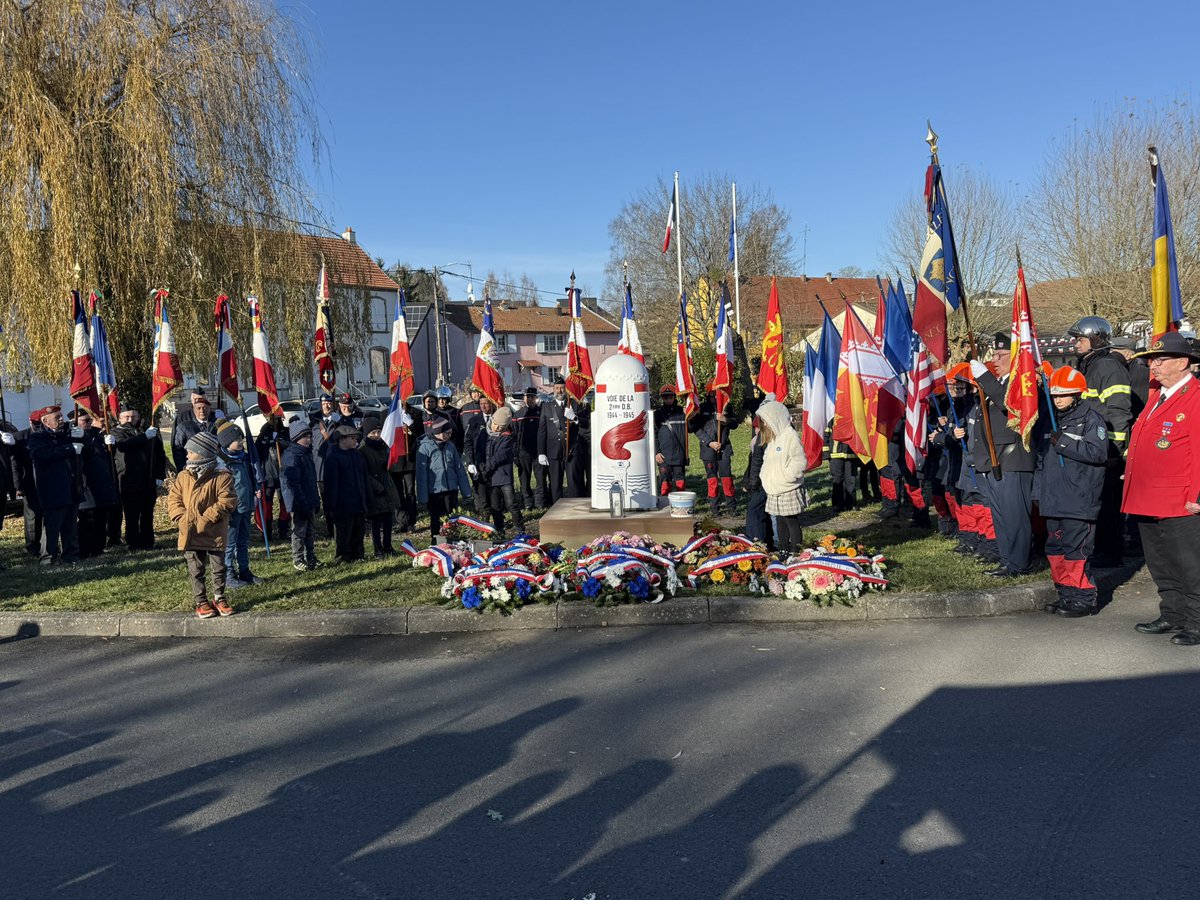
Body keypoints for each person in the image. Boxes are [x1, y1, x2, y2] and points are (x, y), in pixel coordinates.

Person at [1122, 333, 1200, 645]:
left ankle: (1195, 621)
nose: (1152, 365)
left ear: (1183, 363)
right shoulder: (1157, 396)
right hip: (1147, 495)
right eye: (1151, 360)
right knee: (1160, 563)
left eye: (1160, 359)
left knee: (1189, 563)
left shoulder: (1194, 398)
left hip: (1180, 499)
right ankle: (1172, 613)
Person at [1033, 367, 1108, 617]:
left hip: (1078, 499)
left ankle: (1084, 598)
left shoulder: (1091, 418)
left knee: (1077, 551)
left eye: (1064, 395)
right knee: (1056, 549)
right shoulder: (1051, 418)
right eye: (1055, 395)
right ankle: (1066, 594)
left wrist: (1063, 441)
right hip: (1054, 498)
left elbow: (1098, 453)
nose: (1059, 399)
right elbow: (1042, 460)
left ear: (1078, 394)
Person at [969, 335, 1041, 577]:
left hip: (1013, 459)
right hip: (995, 460)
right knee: (1001, 516)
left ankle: (1020, 564)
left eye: (1000, 356)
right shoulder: (1000, 384)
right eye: (993, 355)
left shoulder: (1021, 384)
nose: (994, 360)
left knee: (1015, 515)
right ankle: (1008, 560)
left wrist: (986, 379)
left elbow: (1013, 409)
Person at [1067, 316, 1133, 567]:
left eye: (1081, 339)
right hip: (1091, 447)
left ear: (1096, 340)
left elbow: (1118, 411)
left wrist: (1113, 451)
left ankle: (1111, 552)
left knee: (1107, 505)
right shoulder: (1088, 365)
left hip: (1105, 451)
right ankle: (1100, 548)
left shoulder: (1106, 367)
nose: (1076, 343)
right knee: (1096, 502)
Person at [166, 431, 238, 618]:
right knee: (195, 567)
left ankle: (219, 597)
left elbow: (226, 501)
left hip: (214, 530)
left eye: (191, 451)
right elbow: (174, 499)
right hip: (189, 530)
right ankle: (201, 600)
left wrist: (205, 519)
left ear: (203, 453)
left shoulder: (222, 476)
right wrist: (181, 518)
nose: (187, 454)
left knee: (218, 566)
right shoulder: (183, 475)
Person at [26, 406, 83, 565]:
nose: (61, 420)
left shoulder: (66, 434)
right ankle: (47, 558)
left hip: (71, 486)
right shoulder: (38, 438)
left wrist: (81, 437)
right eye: (57, 417)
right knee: (52, 526)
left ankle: (71, 556)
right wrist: (68, 449)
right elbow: (43, 455)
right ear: (45, 421)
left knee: (70, 526)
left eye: (61, 416)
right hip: (53, 489)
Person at [217, 420, 264, 588]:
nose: (242, 443)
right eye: (239, 440)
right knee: (230, 544)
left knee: (243, 541)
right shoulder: (222, 462)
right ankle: (228, 574)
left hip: (246, 505)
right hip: (232, 509)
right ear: (227, 441)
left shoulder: (244, 457)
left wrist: (256, 488)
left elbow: (250, 477)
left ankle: (244, 571)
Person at [111, 407, 166, 550]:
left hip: (148, 479)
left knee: (147, 513)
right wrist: (145, 437)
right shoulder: (116, 432)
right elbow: (124, 446)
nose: (130, 420)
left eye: (133, 416)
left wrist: (160, 475)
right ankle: (133, 542)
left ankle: (148, 542)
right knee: (132, 514)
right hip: (129, 479)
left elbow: (160, 455)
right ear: (120, 418)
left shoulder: (148, 431)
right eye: (126, 417)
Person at [757, 398, 808, 553]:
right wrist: (766, 476)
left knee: (790, 521)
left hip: (787, 487)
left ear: (775, 418)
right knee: (779, 521)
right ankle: (784, 549)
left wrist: (786, 477)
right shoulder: (774, 439)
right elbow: (767, 461)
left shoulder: (790, 436)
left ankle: (795, 550)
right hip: (775, 489)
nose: (764, 424)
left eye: (766, 421)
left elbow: (799, 461)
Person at [415, 416, 472, 540]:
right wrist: (423, 497)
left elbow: (459, 469)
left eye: (451, 433)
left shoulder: (450, 445)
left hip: (451, 489)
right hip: (434, 491)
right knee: (436, 518)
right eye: (447, 433)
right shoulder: (425, 448)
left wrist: (466, 490)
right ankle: (436, 540)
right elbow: (421, 474)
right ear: (438, 432)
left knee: (451, 516)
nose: (450, 435)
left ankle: (452, 539)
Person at [74, 411, 118, 559]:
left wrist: (111, 444)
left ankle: (98, 548)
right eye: (85, 420)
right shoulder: (75, 435)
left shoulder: (97, 435)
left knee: (100, 518)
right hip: (87, 484)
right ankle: (84, 550)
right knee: (87, 519)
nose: (89, 423)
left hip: (102, 483)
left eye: (89, 420)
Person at [323, 424, 368, 563]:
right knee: (344, 531)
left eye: (356, 438)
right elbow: (331, 484)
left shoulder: (356, 455)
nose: (356, 441)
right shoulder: (333, 458)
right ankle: (343, 556)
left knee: (358, 530)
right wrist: (332, 504)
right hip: (342, 503)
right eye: (352, 438)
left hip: (358, 499)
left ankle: (358, 554)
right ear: (342, 440)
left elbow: (362, 477)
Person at [281, 418, 321, 571]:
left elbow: (311, 480)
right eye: (306, 437)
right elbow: (293, 484)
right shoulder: (292, 457)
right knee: (299, 530)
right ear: (296, 438)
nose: (309, 439)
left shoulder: (307, 454)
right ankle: (298, 558)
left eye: (310, 436)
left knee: (311, 530)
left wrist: (315, 500)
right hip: (299, 501)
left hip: (310, 498)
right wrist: (300, 502)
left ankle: (311, 556)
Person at [359, 415, 400, 557]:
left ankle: (388, 546)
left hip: (386, 487)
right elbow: (365, 473)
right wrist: (377, 487)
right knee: (376, 523)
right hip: (375, 491)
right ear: (367, 434)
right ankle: (378, 548)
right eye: (373, 433)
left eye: (378, 432)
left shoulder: (383, 446)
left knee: (388, 521)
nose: (376, 436)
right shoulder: (363, 450)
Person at [482, 405, 525, 537]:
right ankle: (499, 529)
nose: (497, 429)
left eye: (501, 427)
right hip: (491, 477)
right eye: (496, 425)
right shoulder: (486, 434)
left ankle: (520, 528)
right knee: (495, 506)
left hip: (504, 476)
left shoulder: (507, 438)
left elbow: (499, 456)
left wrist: (486, 468)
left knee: (511, 503)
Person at [693, 394, 738, 514]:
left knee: (726, 477)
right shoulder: (702, 408)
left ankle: (731, 506)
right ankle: (714, 507)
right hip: (708, 448)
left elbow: (735, 424)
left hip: (724, 447)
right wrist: (709, 442)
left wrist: (725, 419)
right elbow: (696, 429)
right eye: (712, 394)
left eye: (717, 394)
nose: (715, 396)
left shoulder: (726, 407)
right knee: (712, 478)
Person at [10, 409, 45, 556]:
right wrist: (18, 485)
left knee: (46, 515)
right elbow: (15, 463)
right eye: (36, 424)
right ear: (30, 422)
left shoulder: (46, 436)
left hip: (47, 482)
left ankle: (45, 544)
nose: (38, 427)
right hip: (29, 482)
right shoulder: (20, 438)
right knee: (32, 517)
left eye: (40, 424)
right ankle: (32, 546)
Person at [309, 393, 341, 536]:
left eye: (328, 403)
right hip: (320, 467)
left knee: (338, 497)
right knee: (326, 500)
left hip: (336, 465)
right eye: (323, 404)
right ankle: (330, 529)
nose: (326, 406)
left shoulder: (338, 421)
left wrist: (341, 422)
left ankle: (339, 526)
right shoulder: (314, 422)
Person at [255, 416, 290, 541]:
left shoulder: (285, 431)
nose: (273, 421)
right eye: (271, 418)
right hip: (268, 475)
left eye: (276, 419)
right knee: (267, 505)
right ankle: (267, 532)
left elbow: (290, 446)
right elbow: (256, 452)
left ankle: (283, 530)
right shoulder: (263, 432)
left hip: (283, 474)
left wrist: (279, 438)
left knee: (284, 504)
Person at [742, 414, 773, 549]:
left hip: (766, 482)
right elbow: (752, 464)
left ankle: (756, 542)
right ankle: (764, 540)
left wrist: (753, 483)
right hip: (759, 482)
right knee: (761, 512)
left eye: (757, 427)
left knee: (754, 511)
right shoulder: (757, 440)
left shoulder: (764, 439)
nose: (755, 430)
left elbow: (758, 464)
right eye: (754, 428)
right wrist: (747, 481)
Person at [537, 377, 571, 504]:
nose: (560, 391)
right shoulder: (547, 407)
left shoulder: (571, 405)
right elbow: (542, 431)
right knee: (555, 483)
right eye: (557, 388)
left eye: (562, 388)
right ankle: (556, 507)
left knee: (573, 482)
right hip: (553, 451)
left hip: (570, 450)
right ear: (553, 390)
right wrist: (541, 452)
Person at [170, 388, 218, 472]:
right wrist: (183, 470)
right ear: (191, 401)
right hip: (191, 467)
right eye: (196, 400)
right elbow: (177, 447)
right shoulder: (182, 418)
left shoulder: (215, 418)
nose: (202, 410)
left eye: (202, 399)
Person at [463, 396, 495, 517]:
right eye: (481, 404)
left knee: (494, 491)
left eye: (486, 403)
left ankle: (497, 514)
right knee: (481, 491)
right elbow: (468, 442)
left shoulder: (497, 419)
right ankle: (484, 515)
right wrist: (470, 461)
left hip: (494, 460)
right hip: (479, 460)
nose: (483, 406)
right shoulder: (474, 421)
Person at [513, 387, 544, 509]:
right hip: (523, 452)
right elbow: (514, 436)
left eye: (532, 397)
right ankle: (528, 502)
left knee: (540, 478)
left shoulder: (541, 412)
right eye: (527, 397)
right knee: (524, 478)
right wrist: (515, 453)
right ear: (524, 398)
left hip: (538, 451)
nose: (530, 399)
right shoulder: (518, 414)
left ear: (536, 398)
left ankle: (540, 501)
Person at [655, 386, 688, 496]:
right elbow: (654, 435)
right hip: (664, 455)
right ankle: (665, 506)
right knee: (665, 482)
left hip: (679, 453)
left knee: (680, 482)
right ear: (662, 398)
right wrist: (657, 452)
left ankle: (681, 505)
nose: (668, 399)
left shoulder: (682, 412)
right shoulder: (657, 414)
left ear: (674, 397)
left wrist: (690, 414)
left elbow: (691, 428)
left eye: (670, 397)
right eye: (665, 397)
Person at [566, 393, 591, 498]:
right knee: (576, 476)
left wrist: (576, 419)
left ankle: (591, 497)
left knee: (591, 474)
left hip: (590, 442)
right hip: (575, 443)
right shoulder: (568, 403)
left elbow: (590, 421)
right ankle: (577, 498)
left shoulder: (589, 402)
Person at [436, 385, 464, 451]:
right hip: (437, 445)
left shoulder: (455, 411)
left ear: (448, 399)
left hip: (453, 444)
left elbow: (460, 429)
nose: (441, 401)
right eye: (439, 399)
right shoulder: (434, 412)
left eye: (444, 399)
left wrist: (460, 445)